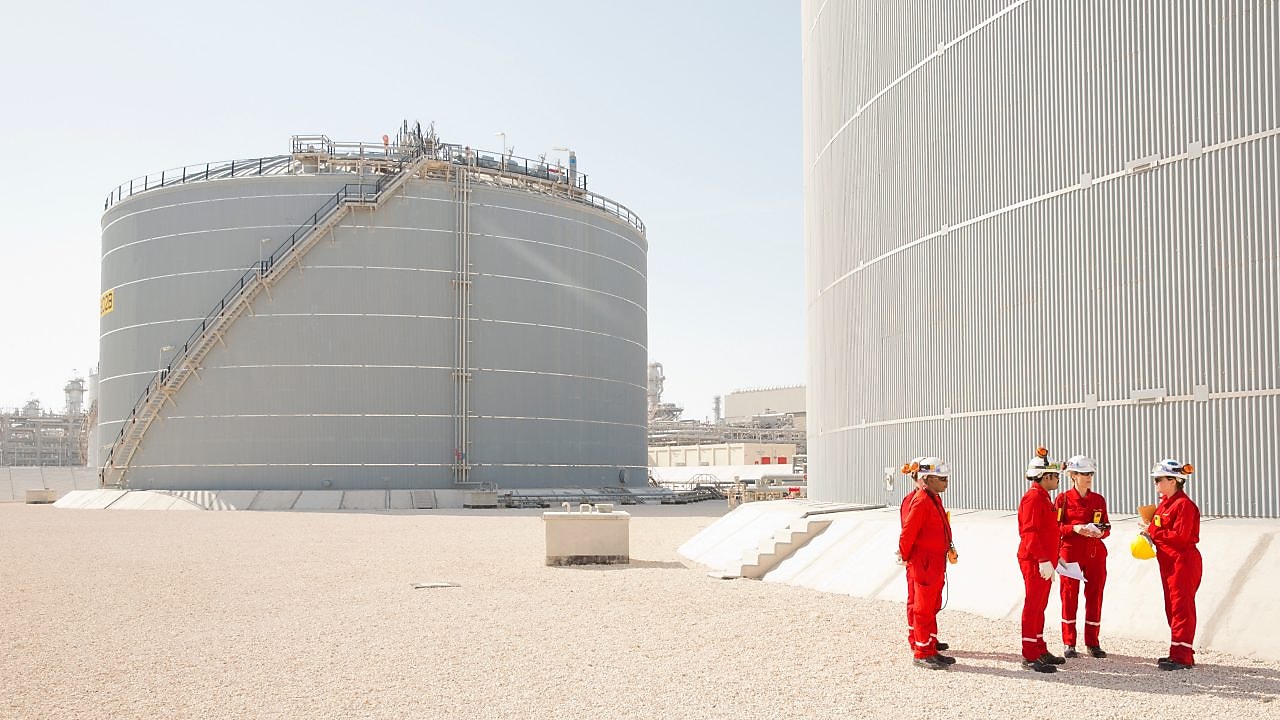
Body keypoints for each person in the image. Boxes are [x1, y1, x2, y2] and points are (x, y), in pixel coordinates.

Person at [898, 456, 956, 669]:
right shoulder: (921, 500)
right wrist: (905, 556)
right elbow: (908, 532)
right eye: (941, 479)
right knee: (922, 607)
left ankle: (929, 646)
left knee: (931, 604)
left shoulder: (932, 499)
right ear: (928, 479)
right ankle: (922, 651)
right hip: (923, 562)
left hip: (933, 560)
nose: (946, 483)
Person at [1144, 458, 1202, 670]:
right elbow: (1162, 532)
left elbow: (1181, 535)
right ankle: (1179, 651)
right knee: (1172, 607)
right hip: (1169, 562)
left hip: (1182, 562)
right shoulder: (1165, 505)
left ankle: (1182, 656)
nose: (1156, 484)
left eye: (1159, 479)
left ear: (1173, 480)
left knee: (1182, 608)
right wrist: (1149, 531)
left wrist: (1152, 530)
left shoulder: (1184, 505)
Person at [1055, 454, 1110, 658]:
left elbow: (1107, 525)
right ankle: (1069, 642)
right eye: (1084, 474)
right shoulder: (1063, 499)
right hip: (1070, 553)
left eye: (1090, 474)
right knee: (1069, 597)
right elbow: (1056, 527)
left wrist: (1101, 531)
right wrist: (1075, 528)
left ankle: (1093, 642)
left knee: (1095, 596)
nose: (1088, 477)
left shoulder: (1098, 499)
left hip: (1095, 553)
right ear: (1073, 475)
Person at [1018, 447, 1065, 673]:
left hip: (1044, 560)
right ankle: (1030, 655)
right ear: (1045, 476)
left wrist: (1053, 558)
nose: (1057, 480)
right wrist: (1042, 559)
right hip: (1035, 560)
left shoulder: (1043, 497)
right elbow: (1029, 532)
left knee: (1040, 606)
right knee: (1033, 605)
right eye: (1055, 476)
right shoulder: (1034, 498)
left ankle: (1039, 648)